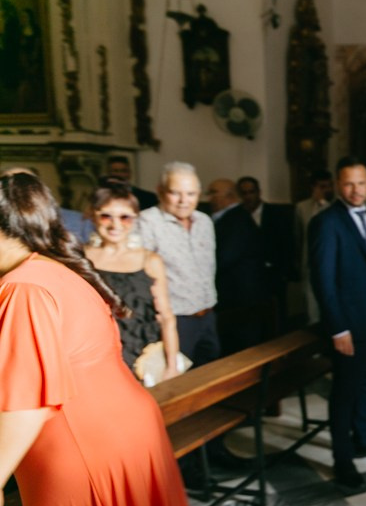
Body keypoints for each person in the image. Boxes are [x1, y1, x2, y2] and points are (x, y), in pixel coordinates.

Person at [0, 171, 215, 506]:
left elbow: (28, 405)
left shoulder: (24, 287)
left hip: (80, 451)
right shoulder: (53, 269)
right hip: (124, 433)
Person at [309, 157, 366, 489]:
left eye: (361, 183)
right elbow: (323, 281)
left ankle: (363, 439)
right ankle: (342, 458)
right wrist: (338, 328)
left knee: (365, 385)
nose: (355, 190)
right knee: (344, 392)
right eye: (348, 183)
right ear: (338, 184)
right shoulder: (326, 222)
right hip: (348, 324)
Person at [84, 181, 182, 383]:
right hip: (96, 358)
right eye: (106, 216)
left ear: (135, 219)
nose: (116, 225)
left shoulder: (150, 260)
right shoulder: (80, 258)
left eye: (125, 217)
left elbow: (166, 317)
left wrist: (172, 366)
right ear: (92, 215)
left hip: (140, 358)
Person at [139, 161, 220, 366]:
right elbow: (140, 276)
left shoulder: (204, 221)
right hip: (174, 321)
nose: (184, 201)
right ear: (160, 191)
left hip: (208, 314)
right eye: (175, 193)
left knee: (211, 373)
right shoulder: (146, 222)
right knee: (178, 379)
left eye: (191, 194)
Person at [208, 178, 272, 354]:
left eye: (213, 192)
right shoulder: (233, 217)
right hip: (237, 296)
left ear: (229, 195)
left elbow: (224, 258)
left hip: (239, 297)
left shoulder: (236, 220)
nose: (209, 197)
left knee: (242, 347)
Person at [237, 175, 295, 331]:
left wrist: (285, 272)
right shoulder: (237, 216)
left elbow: (287, 244)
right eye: (244, 193)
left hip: (274, 274)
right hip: (249, 279)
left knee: (278, 316)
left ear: (259, 192)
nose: (248, 197)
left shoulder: (276, 214)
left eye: (251, 192)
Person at [294, 169, 334, 325]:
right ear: (313, 187)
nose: (327, 190)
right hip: (309, 264)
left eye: (329, 186)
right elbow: (299, 236)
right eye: (322, 186)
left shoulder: (335, 206)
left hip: (331, 264)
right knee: (312, 309)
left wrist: (323, 204)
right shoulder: (302, 207)